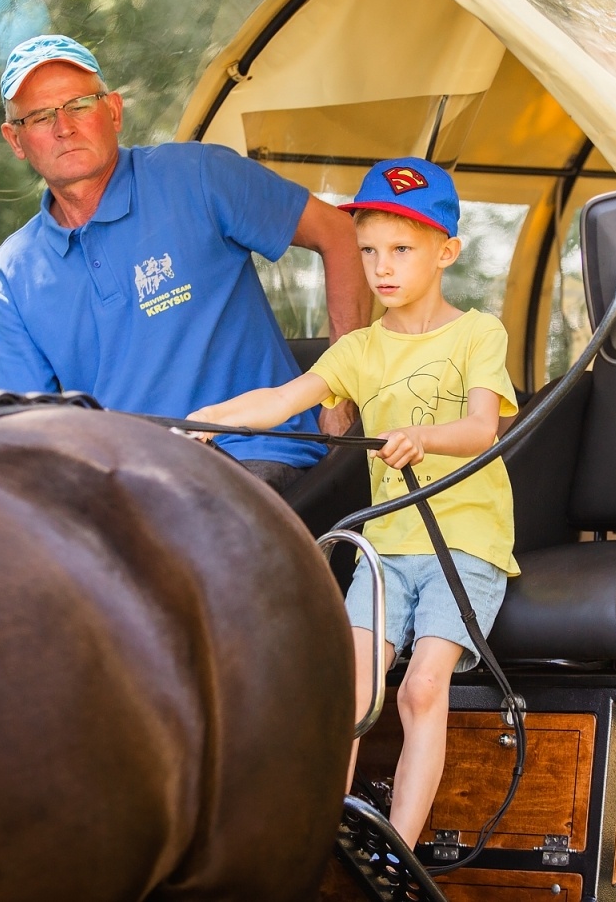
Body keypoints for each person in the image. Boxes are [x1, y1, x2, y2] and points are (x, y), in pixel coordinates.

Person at [189, 157, 518, 844]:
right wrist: (199, 423)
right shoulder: (361, 349)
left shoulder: (478, 333)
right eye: (368, 251)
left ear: (446, 252)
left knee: (420, 689)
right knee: (350, 695)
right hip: (385, 554)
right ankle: (316, 846)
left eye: (401, 249)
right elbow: (280, 401)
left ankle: (398, 853)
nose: (381, 267)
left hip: (463, 547)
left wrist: (424, 437)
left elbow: (483, 427)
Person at [0, 34, 371, 492]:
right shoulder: (13, 271)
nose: (63, 126)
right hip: (127, 490)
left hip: (252, 457)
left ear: (114, 111)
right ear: (16, 140)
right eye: (41, 116)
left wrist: (341, 388)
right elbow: (12, 429)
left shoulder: (199, 177)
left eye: (80, 105)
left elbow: (341, 235)